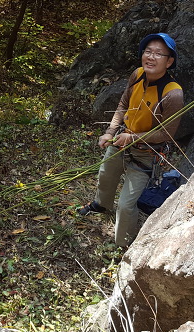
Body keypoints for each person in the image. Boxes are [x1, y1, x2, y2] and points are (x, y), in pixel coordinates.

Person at [78, 33, 185, 248]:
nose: (151, 57)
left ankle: (123, 245)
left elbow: (166, 133)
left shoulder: (173, 94)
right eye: (148, 51)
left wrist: (132, 138)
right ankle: (101, 204)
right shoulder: (137, 74)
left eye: (158, 54)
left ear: (169, 61)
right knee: (106, 174)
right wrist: (110, 132)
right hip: (121, 140)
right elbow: (123, 104)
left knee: (126, 205)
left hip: (146, 153)